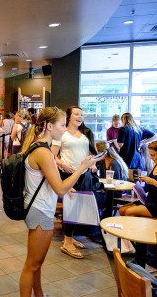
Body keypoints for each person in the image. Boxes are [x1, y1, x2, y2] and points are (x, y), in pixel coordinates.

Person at [19, 107, 101, 297]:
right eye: (62, 125)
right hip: (40, 211)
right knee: (32, 264)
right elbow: (60, 188)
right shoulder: (43, 152)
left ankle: (38, 294)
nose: (65, 129)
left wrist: (66, 183)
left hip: (40, 209)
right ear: (49, 126)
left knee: (36, 263)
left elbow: (53, 181)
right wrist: (83, 166)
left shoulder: (42, 148)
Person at [51, 106, 98, 259]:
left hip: (84, 175)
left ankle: (70, 237)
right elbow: (52, 156)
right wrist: (62, 164)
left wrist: (93, 164)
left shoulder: (86, 133)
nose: (80, 117)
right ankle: (67, 242)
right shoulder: (62, 133)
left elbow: (91, 152)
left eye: (82, 114)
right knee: (70, 207)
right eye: (76, 114)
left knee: (79, 207)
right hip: (68, 175)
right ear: (69, 116)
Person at [119, 140, 157, 218]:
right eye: (150, 155)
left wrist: (154, 182)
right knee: (122, 210)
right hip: (150, 200)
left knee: (129, 212)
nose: (150, 157)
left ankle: (133, 229)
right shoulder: (155, 165)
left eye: (153, 155)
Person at [95, 141, 129, 218]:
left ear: (104, 152)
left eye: (98, 152)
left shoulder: (114, 163)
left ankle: (104, 216)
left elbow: (116, 181)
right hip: (108, 187)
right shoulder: (102, 161)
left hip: (117, 190)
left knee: (100, 195)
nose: (97, 155)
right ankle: (101, 215)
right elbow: (102, 177)